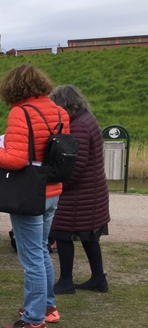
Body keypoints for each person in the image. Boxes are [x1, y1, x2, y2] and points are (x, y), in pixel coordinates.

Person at [0, 64, 70, 328]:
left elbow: (16, 160)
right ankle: (47, 307)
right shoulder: (60, 111)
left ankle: (33, 321)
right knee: (41, 251)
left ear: (13, 87)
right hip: (52, 190)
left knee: (31, 258)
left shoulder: (20, 112)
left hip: (29, 193)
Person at [49, 84, 110, 294]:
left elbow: (75, 165)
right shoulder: (87, 119)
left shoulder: (79, 126)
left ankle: (66, 281)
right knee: (89, 236)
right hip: (91, 192)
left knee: (62, 233)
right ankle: (98, 279)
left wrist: (58, 184)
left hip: (79, 194)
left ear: (67, 105)